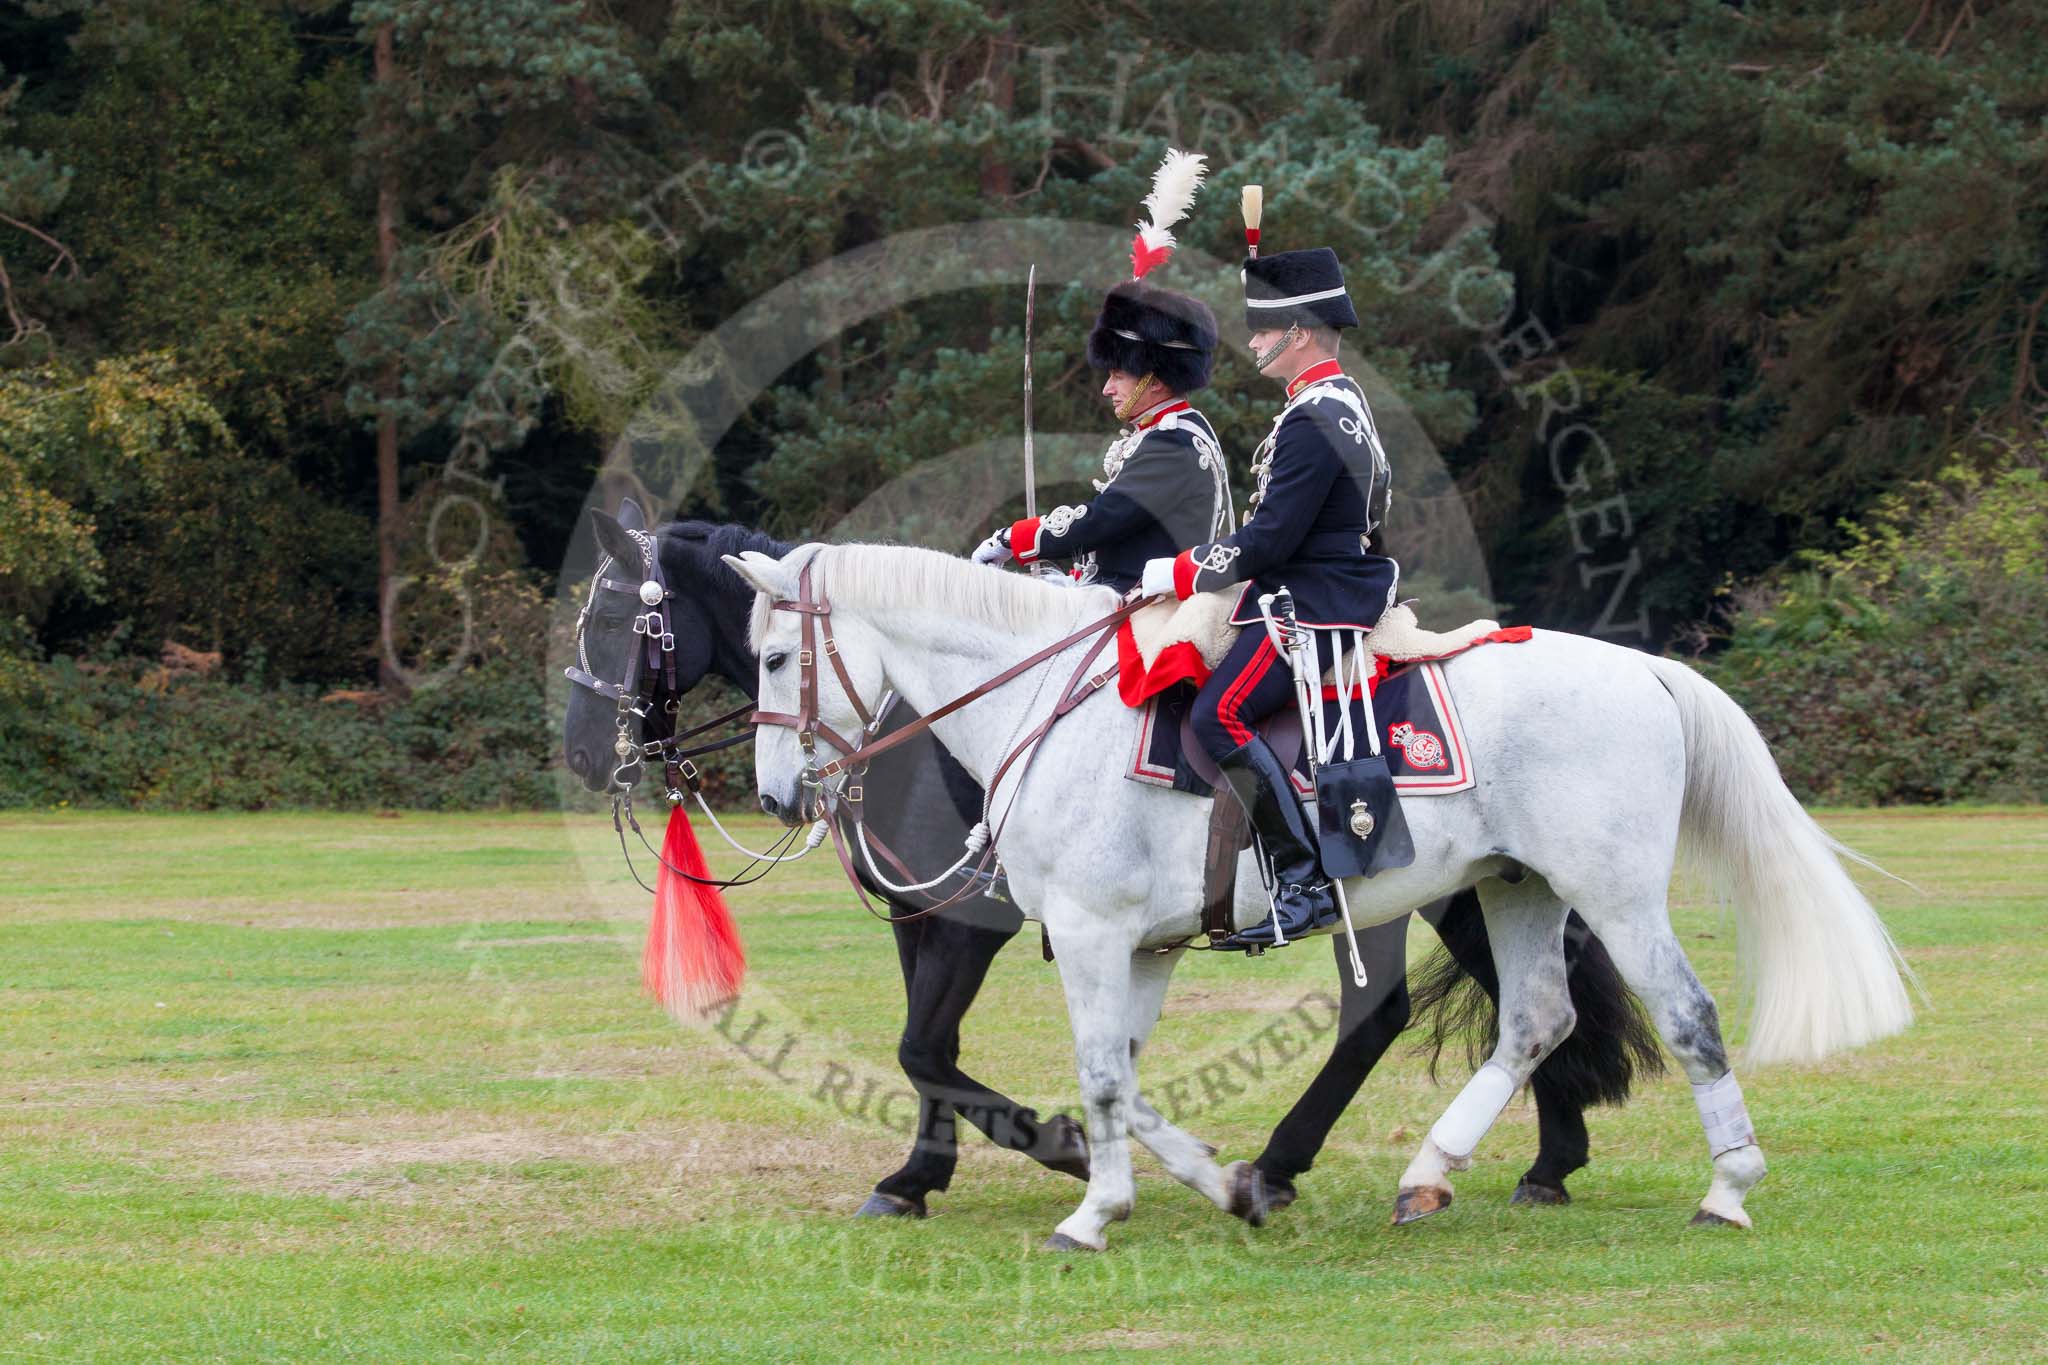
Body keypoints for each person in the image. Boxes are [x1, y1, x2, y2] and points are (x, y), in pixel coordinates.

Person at [1137, 237, 1397, 950]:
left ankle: (1301, 877)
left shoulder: (1315, 416)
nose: (1252, 342)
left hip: (1310, 599)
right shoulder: (1340, 403)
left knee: (1218, 714)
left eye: (1261, 328)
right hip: (1328, 581)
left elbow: (1272, 537)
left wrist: (1182, 570)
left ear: (1300, 333)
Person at [974, 150, 1231, 591]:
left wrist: (1013, 538)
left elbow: (1106, 518)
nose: (1108, 389)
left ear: (1154, 376)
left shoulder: (1173, 441)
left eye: (1118, 375)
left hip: (1151, 606)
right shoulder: (1162, 432)